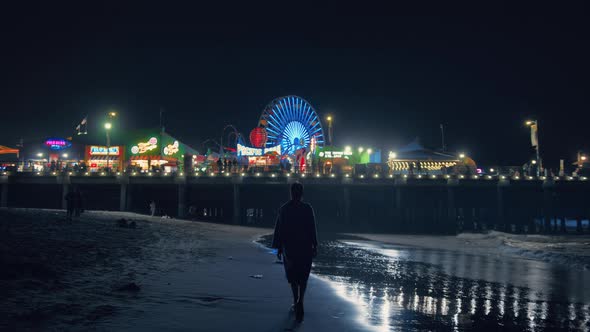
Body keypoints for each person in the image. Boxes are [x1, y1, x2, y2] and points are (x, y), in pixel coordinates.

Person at [272, 182, 318, 322]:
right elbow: (312, 227)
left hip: (290, 247)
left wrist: (279, 246)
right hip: (304, 247)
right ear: (302, 193)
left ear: (291, 193)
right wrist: (315, 244)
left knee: (292, 276)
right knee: (303, 276)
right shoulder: (307, 208)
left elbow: (279, 228)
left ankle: (295, 300)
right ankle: (301, 301)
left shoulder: (284, 209)